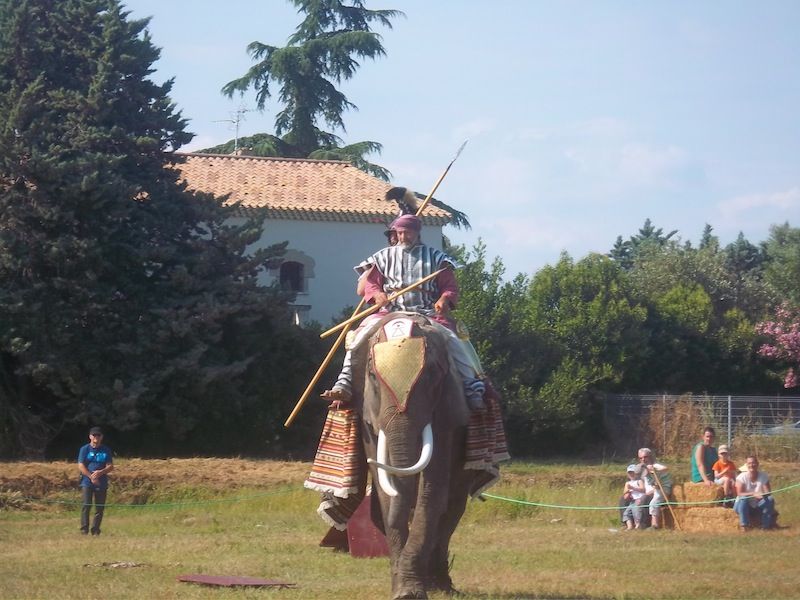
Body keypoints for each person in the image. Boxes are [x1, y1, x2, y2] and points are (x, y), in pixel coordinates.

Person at [322, 212, 486, 409]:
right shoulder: (383, 256)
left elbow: (449, 287)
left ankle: (470, 385)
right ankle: (345, 382)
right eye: (399, 233)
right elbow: (371, 284)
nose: (402, 237)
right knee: (359, 337)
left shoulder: (437, 258)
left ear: (417, 233)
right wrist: (377, 295)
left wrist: (444, 299)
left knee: (453, 339)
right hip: (390, 311)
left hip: (426, 312)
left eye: (406, 233)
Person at [77, 426, 114, 536]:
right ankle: (84, 529)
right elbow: (81, 465)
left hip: (101, 482)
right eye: (94, 435)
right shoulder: (84, 449)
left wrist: (100, 473)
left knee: (99, 507)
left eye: (98, 435)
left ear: (101, 437)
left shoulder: (106, 450)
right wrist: (90, 476)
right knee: (86, 505)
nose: (96, 437)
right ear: (90, 437)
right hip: (87, 482)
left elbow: (110, 466)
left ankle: (96, 529)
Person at [734, 456, 776, 530]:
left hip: (757, 505)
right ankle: (744, 526)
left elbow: (768, 492)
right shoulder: (741, 477)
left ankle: (766, 526)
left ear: (757, 464)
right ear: (746, 465)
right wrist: (753, 494)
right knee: (744, 498)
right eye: (749, 463)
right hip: (742, 505)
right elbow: (739, 493)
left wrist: (763, 494)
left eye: (753, 463)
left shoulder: (763, 476)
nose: (752, 465)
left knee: (770, 499)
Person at [639, 447, 672, 529]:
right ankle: (647, 524)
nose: (643, 459)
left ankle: (655, 525)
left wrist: (655, 469)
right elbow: (652, 484)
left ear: (650, 457)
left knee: (654, 502)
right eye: (641, 458)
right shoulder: (645, 473)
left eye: (645, 457)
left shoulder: (655, 465)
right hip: (657, 488)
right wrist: (655, 485)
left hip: (664, 487)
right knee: (650, 502)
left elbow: (665, 468)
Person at [620, 464, 648, 530]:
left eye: (632, 472)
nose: (631, 474)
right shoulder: (627, 483)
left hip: (639, 499)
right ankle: (629, 526)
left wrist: (633, 488)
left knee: (637, 511)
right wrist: (628, 492)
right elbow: (625, 493)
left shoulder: (639, 481)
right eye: (629, 473)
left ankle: (638, 525)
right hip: (632, 501)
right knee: (627, 513)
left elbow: (643, 490)